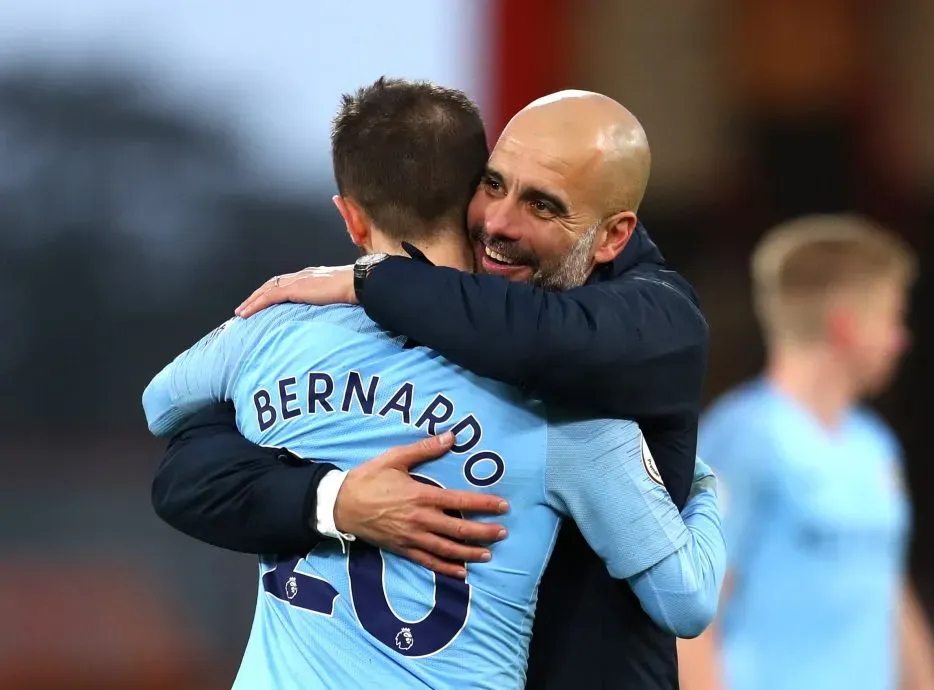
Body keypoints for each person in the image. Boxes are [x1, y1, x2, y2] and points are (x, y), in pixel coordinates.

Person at [143, 77, 725, 690]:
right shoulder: (576, 422)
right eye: (495, 187)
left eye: (543, 205)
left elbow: (163, 405)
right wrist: (332, 498)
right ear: (468, 187)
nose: (500, 222)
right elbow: (685, 601)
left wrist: (368, 283)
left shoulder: (274, 334)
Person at [675, 215, 934, 690]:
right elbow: (690, 613)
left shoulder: (874, 446)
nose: (901, 340)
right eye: (892, 318)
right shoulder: (745, 438)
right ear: (846, 325)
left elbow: (885, 588)